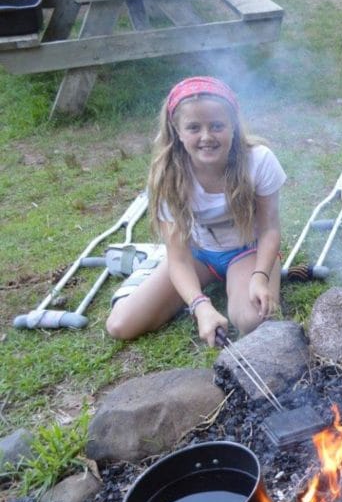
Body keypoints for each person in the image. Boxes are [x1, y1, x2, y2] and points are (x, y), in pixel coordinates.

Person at [106, 76, 286, 347]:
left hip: (247, 252)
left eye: (217, 126)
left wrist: (261, 276)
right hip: (197, 256)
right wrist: (200, 306)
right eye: (193, 127)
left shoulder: (259, 160)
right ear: (176, 131)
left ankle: (250, 279)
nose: (206, 137)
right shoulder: (168, 174)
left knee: (252, 320)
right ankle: (152, 267)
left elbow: (270, 229)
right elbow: (179, 258)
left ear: (233, 127)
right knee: (120, 325)